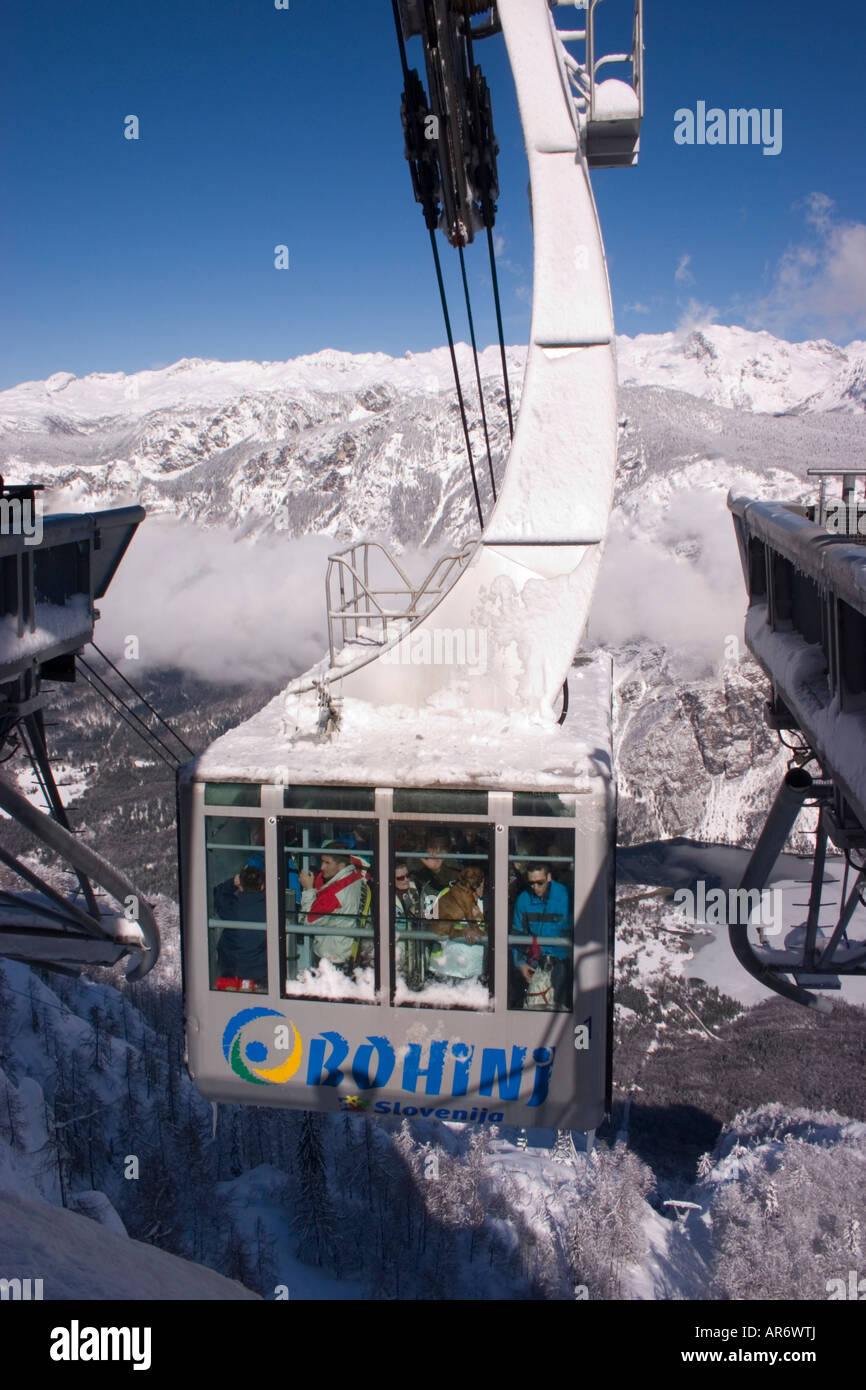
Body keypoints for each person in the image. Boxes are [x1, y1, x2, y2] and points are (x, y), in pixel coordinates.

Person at [511, 863, 572, 1010]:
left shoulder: (566, 897)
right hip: (535, 962)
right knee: (532, 1006)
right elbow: (517, 934)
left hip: (561, 962)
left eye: (540, 883)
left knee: (559, 1007)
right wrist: (520, 963)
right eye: (531, 883)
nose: (535, 887)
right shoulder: (524, 900)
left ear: (549, 877)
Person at [299, 841, 366, 971]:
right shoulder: (355, 876)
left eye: (327, 863)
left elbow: (307, 921)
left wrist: (308, 889)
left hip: (330, 958)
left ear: (341, 866)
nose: (322, 867)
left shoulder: (334, 894)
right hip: (345, 950)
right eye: (322, 861)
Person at [429, 866, 487, 983]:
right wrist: (463, 931)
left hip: (475, 971)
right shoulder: (448, 894)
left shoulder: (484, 904)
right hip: (449, 970)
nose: (483, 888)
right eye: (481, 885)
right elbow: (433, 926)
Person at [214, 865, 267, 990]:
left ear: (240, 886)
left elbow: (217, 894)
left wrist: (232, 883)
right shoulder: (269, 909)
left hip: (231, 972)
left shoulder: (232, 907)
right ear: (262, 886)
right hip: (260, 975)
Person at [394, 861, 425, 989]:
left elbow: (431, 917)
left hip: (417, 955)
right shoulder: (382, 897)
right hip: (396, 956)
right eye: (400, 878)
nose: (406, 880)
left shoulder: (417, 890)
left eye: (408, 875)